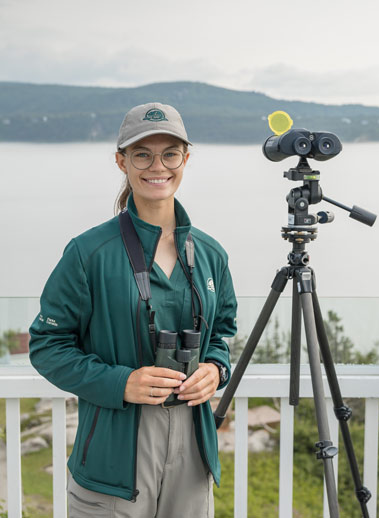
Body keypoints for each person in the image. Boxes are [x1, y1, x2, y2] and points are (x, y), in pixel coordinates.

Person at [29, 102, 237, 518]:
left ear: (186, 159)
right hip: (113, 457)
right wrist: (120, 382)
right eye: (142, 153)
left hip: (193, 454)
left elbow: (223, 332)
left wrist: (215, 369)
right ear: (121, 161)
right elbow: (47, 345)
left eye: (170, 153)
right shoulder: (89, 253)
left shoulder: (211, 254)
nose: (157, 166)